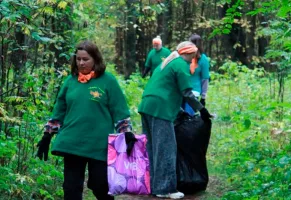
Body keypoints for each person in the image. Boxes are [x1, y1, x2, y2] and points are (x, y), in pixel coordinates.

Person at [36, 41, 132, 200]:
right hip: (73, 142)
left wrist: (127, 134)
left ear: (95, 59)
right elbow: (59, 111)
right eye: (78, 59)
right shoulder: (70, 81)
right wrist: (47, 135)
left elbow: (119, 110)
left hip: (99, 144)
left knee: (101, 186)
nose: (81, 63)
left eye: (85, 59)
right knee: (71, 189)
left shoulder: (108, 81)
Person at [138, 41, 212, 199]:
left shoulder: (167, 62)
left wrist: (181, 111)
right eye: (194, 55)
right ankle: (165, 189)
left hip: (147, 106)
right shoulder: (180, 64)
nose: (194, 58)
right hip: (160, 109)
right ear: (190, 53)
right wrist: (202, 109)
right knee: (165, 148)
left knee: (152, 148)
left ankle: (154, 185)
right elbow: (186, 92)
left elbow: (167, 88)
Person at [182, 33, 210, 115]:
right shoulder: (185, 57)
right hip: (183, 90)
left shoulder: (203, 59)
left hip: (194, 92)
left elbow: (205, 78)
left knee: (188, 115)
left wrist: (203, 97)